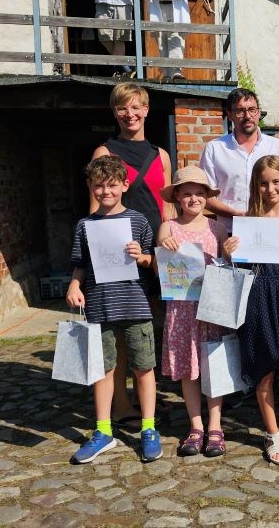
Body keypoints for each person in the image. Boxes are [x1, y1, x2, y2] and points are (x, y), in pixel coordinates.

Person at [66, 155, 162, 463]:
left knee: (143, 368)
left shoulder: (138, 221)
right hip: (100, 305)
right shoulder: (85, 225)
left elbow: (154, 262)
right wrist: (74, 285)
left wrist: (142, 257)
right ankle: (104, 431)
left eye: (111, 185)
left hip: (135, 304)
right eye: (98, 186)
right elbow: (80, 264)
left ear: (125, 185)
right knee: (102, 369)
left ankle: (148, 428)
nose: (105, 192)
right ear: (90, 187)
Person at [223, 155, 279, 465]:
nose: (270, 188)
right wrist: (230, 254)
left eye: (276, 181)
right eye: (263, 183)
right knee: (263, 372)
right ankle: (273, 434)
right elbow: (241, 268)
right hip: (258, 296)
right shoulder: (249, 219)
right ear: (256, 186)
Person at [92, 83, 174, 430]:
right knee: (122, 325)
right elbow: (97, 206)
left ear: (146, 110)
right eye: (124, 108)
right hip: (121, 251)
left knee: (156, 320)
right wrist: (99, 258)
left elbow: (167, 205)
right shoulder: (104, 151)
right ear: (115, 112)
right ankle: (122, 401)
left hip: (156, 248)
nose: (131, 114)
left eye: (137, 106)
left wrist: (170, 240)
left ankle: (149, 397)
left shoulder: (161, 154)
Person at [155, 166, 229, 457]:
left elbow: (228, 265)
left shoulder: (217, 228)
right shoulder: (168, 227)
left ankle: (216, 425)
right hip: (182, 309)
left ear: (207, 197)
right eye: (187, 193)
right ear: (176, 197)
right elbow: (161, 252)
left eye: (200, 193)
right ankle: (195, 425)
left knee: (214, 367)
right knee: (189, 368)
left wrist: (232, 251)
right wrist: (165, 243)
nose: (194, 198)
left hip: (211, 308)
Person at [200, 88, 279, 233]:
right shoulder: (214, 149)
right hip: (231, 231)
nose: (247, 116)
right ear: (230, 115)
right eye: (240, 111)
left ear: (258, 112)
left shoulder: (278, 147)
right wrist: (237, 216)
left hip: (274, 229)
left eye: (252, 109)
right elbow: (206, 196)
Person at [94, 0, 134, 76]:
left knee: (119, 39)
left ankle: (119, 71)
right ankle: (126, 68)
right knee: (104, 37)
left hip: (123, 1)